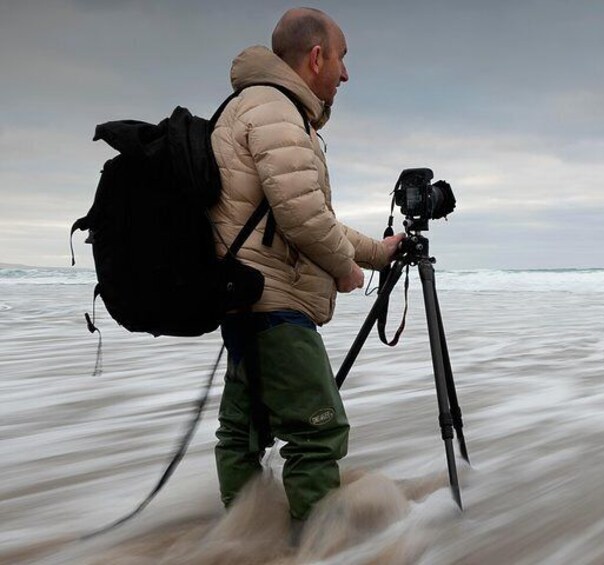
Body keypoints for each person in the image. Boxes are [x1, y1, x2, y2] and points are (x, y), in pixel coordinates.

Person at [209, 7, 404, 529]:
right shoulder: (275, 109)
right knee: (318, 431)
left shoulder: (258, 107)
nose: (345, 74)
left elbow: (302, 213)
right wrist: (346, 269)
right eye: (341, 59)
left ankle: (246, 541)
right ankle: (318, 546)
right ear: (316, 57)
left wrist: (378, 253)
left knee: (242, 431)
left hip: (246, 300)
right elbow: (302, 213)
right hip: (276, 304)